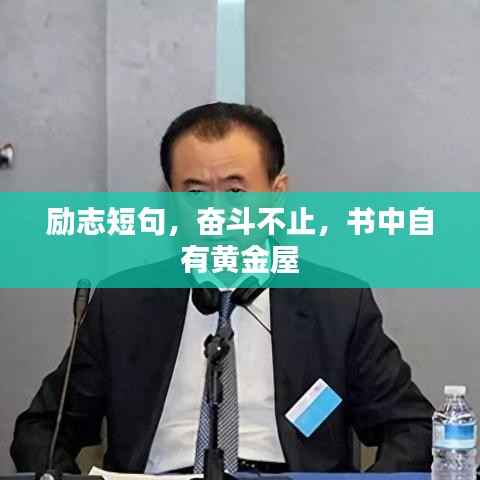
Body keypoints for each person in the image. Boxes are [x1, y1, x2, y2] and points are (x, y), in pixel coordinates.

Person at [11, 102, 433, 474]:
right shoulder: (124, 302)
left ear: (277, 194)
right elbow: (42, 430)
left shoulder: (336, 303)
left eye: (235, 191)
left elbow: (414, 428)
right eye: (194, 193)